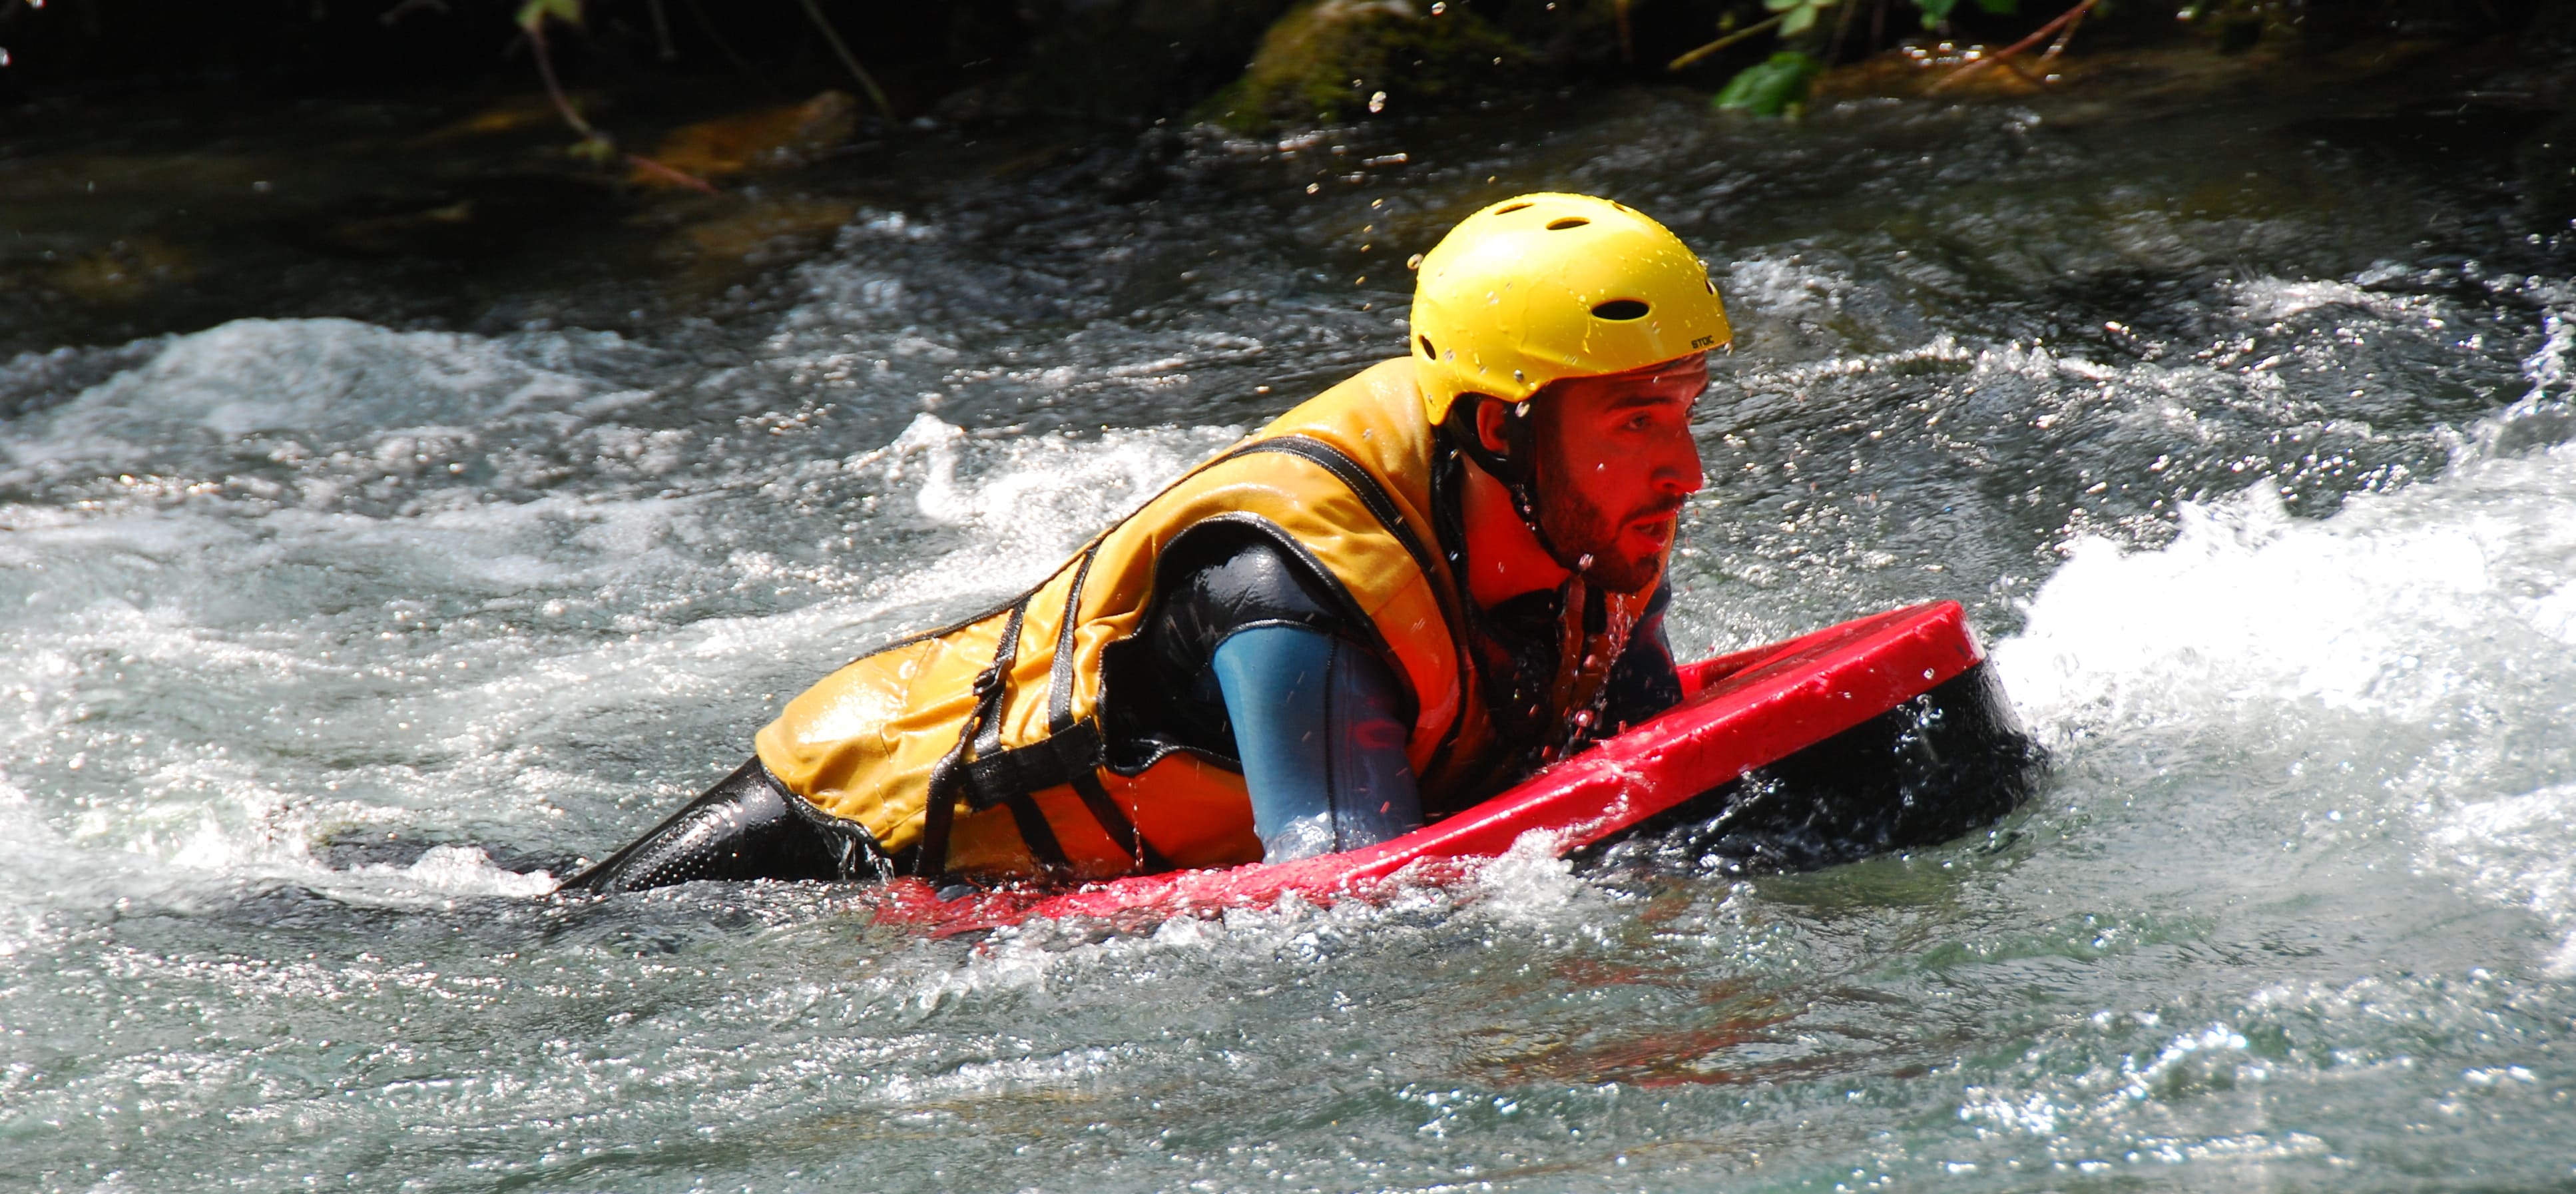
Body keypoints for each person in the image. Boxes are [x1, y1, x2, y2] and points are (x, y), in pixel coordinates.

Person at [563, 192, 1731, 893]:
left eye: (1683, 410)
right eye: (1637, 422)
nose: (1682, 468)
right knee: (550, 925)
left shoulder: (1580, 508)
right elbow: (1357, 919)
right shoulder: (1293, 600)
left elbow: (1628, 755)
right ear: (1496, 429)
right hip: (849, 828)